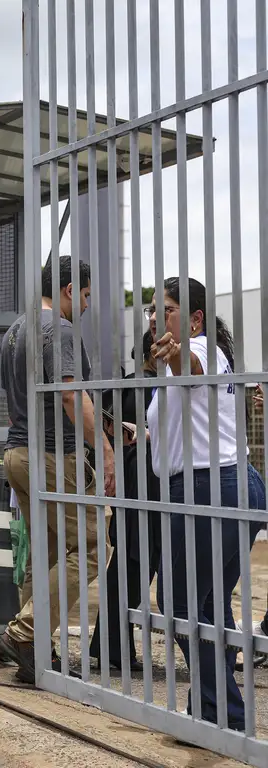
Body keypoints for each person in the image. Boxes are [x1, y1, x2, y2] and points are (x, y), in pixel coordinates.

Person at [147, 277, 266, 730]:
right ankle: (213, 712)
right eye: (152, 311)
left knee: (178, 601)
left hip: (210, 489)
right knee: (208, 606)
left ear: (195, 319)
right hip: (221, 485)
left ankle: (225, 714)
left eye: (167, 309)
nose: (156, 318)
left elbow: (191, 363)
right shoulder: (171, 372)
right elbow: (184, 431)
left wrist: (176, 351)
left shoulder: (204, 351)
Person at [0, 255, 112, 685]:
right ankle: (25, 632)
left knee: (45, 552)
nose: (84, 306)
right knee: (96, 544)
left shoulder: (16, 331)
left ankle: (36, 652)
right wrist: (106, 449)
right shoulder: (57, 329)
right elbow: (67, 395)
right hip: (52, 455)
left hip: (19, 452)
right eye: (84, 295)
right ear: (66, 290)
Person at [89, 331, 160, 672]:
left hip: (128, 484)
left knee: (128, 565)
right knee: (137, 565)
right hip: (153, 486)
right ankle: (112, 647)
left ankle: (110, 645)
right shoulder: (158, 387)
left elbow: (101, 430)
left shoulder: (123, 387)